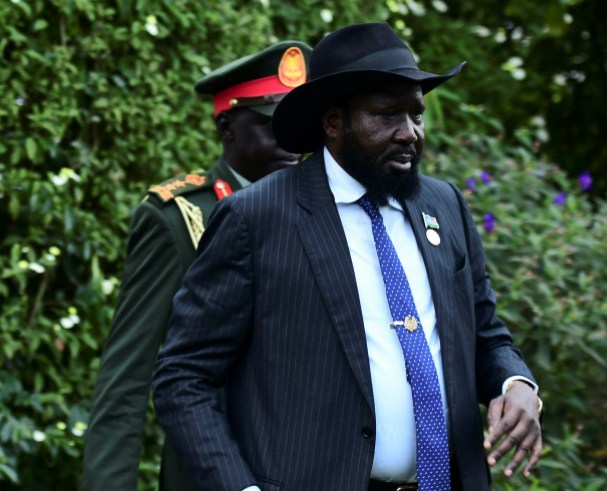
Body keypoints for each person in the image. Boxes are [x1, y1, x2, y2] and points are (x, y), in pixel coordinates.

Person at [152, 23, 542, 491]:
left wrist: (515, 384)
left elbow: (484, 334)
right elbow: (183, 377)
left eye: (416, 115)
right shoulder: (257, 218)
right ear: (334, 122)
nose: (410, 134)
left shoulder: (444, 205)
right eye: (387, 115)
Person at [81, 40, 312, 491]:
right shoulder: (180, 219)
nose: (292, 144)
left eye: (298, 127)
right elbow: (126, 379)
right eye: (272, 126)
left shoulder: (324, 210)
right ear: (227, 127)